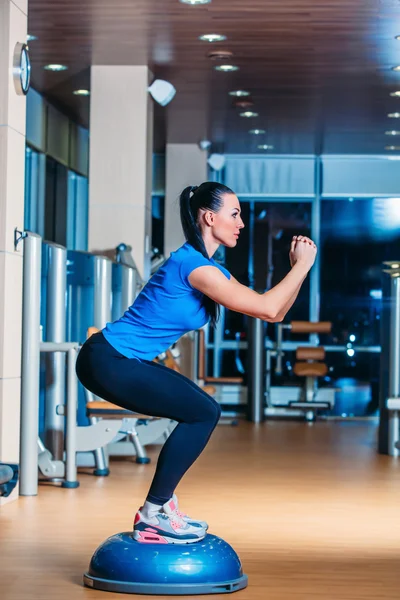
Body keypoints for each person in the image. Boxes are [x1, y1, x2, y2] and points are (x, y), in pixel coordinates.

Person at [76, 181, 317, 545]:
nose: (241, 223)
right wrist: (302, 266)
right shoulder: (196, 267)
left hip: (121, 359)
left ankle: (162, 506)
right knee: (203, 412)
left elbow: (273, 313)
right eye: (234, 215)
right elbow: (269, 307)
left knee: (203, 408)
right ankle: (154, 513)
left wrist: (299, 270)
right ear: (209, 217)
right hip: (108, 358)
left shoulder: (207, 266)